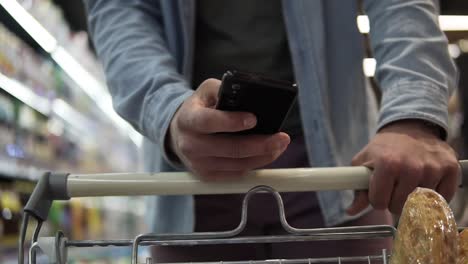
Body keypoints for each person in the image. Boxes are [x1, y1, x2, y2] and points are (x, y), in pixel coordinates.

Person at [84, 0, 459, 261]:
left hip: (340, 173)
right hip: (190, 176)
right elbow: (120, 12)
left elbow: (401, 5)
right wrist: (166, 109)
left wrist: (411, 117)